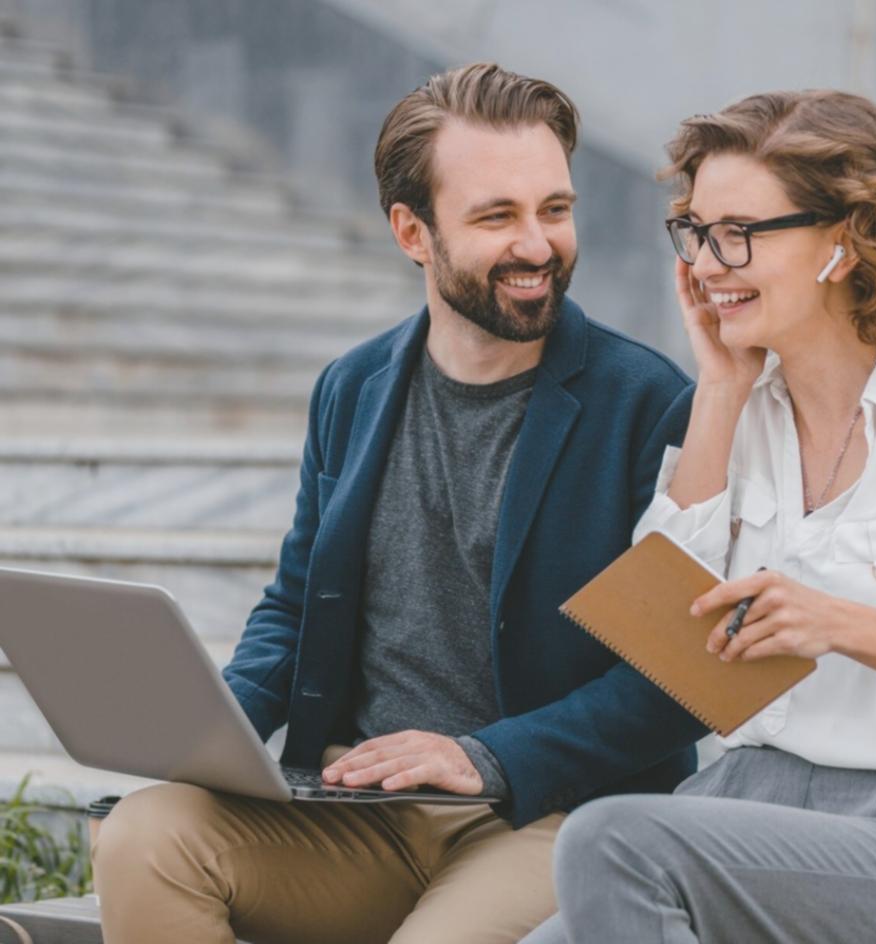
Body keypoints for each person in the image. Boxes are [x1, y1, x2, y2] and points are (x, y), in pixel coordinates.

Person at [91, 63, 706, 944]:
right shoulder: (351, 387)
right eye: (496, 217)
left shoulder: (648, 402)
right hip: (358, 813)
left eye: (554, 209)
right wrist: (208, 733)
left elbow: (677, 679)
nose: (538, 245)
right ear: (412, 231)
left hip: (550, 816)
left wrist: (485, 756)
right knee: (144, 836)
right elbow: (297, 605)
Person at [525, 89, 876, 944]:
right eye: (697, 233)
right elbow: (666, 627)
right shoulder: (735, 411)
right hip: (754, 805)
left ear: (843, 241)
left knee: (610, 839)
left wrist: (843, 625)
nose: (709, 264)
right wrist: (718, 389)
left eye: (739, 232)